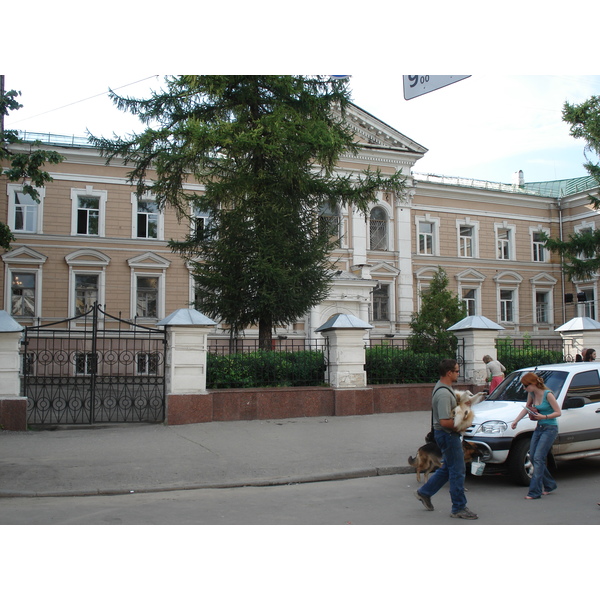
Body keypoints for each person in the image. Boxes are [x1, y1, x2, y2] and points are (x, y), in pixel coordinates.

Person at [414, 358, 478, 520]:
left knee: (449, 468)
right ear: (449, 373)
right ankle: (458, 507)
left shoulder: (445, 388)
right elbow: (444, 421)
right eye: (456, 371)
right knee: (458, 470)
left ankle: (424, 492)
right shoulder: (443, 393)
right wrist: (463, 424)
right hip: (447, 435)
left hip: (446, 435)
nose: (458, 373)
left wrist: (464, 405)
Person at [511, 372, 561, 499]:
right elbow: (527, 408)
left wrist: (544, 416)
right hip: (539, 428)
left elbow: (558, 412)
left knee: (538, 458)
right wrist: (516, 421)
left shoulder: (547, 394)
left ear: (533, 384)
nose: (524, 388)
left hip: (550, 428)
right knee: (533, 457)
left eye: (525, 386)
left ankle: (535, 491)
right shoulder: (531, 393)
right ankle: (549, 484)